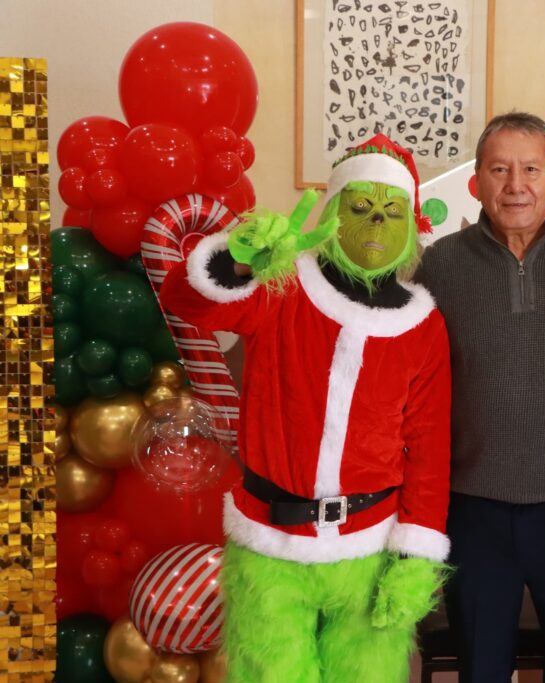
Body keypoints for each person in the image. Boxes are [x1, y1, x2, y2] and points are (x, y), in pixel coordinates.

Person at [160, 134, 451, 683]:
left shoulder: (423, 325)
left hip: (370, 545)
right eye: (360, 207)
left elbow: (429, 450)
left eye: (392, 211)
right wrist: (238, 260)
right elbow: (186, 300)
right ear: (333, 211)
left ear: (412, 225)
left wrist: (417, 555)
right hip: (269, 543)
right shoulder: (282, 284)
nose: (376, 223)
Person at [415, 112, 545, 683]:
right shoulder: (438, 265)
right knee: (482, 669)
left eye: (531, 169)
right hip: (473, 510)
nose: (515, 185)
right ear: (476, 180)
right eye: (499, 169)